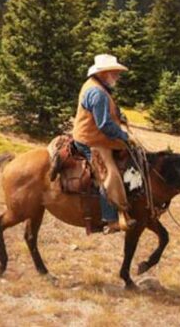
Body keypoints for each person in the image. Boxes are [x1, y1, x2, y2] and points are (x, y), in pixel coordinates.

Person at [72, 54, 136, 233]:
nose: (117, 75)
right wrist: (124, 136)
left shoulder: (100, 86)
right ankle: (111, 219)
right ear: (104, 73)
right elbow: (104, 125)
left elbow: (108, 114)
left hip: (96, 136)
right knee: (109, 173)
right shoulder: (97, 92)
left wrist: (119, 116)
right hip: (90, 139)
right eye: (114, 72)